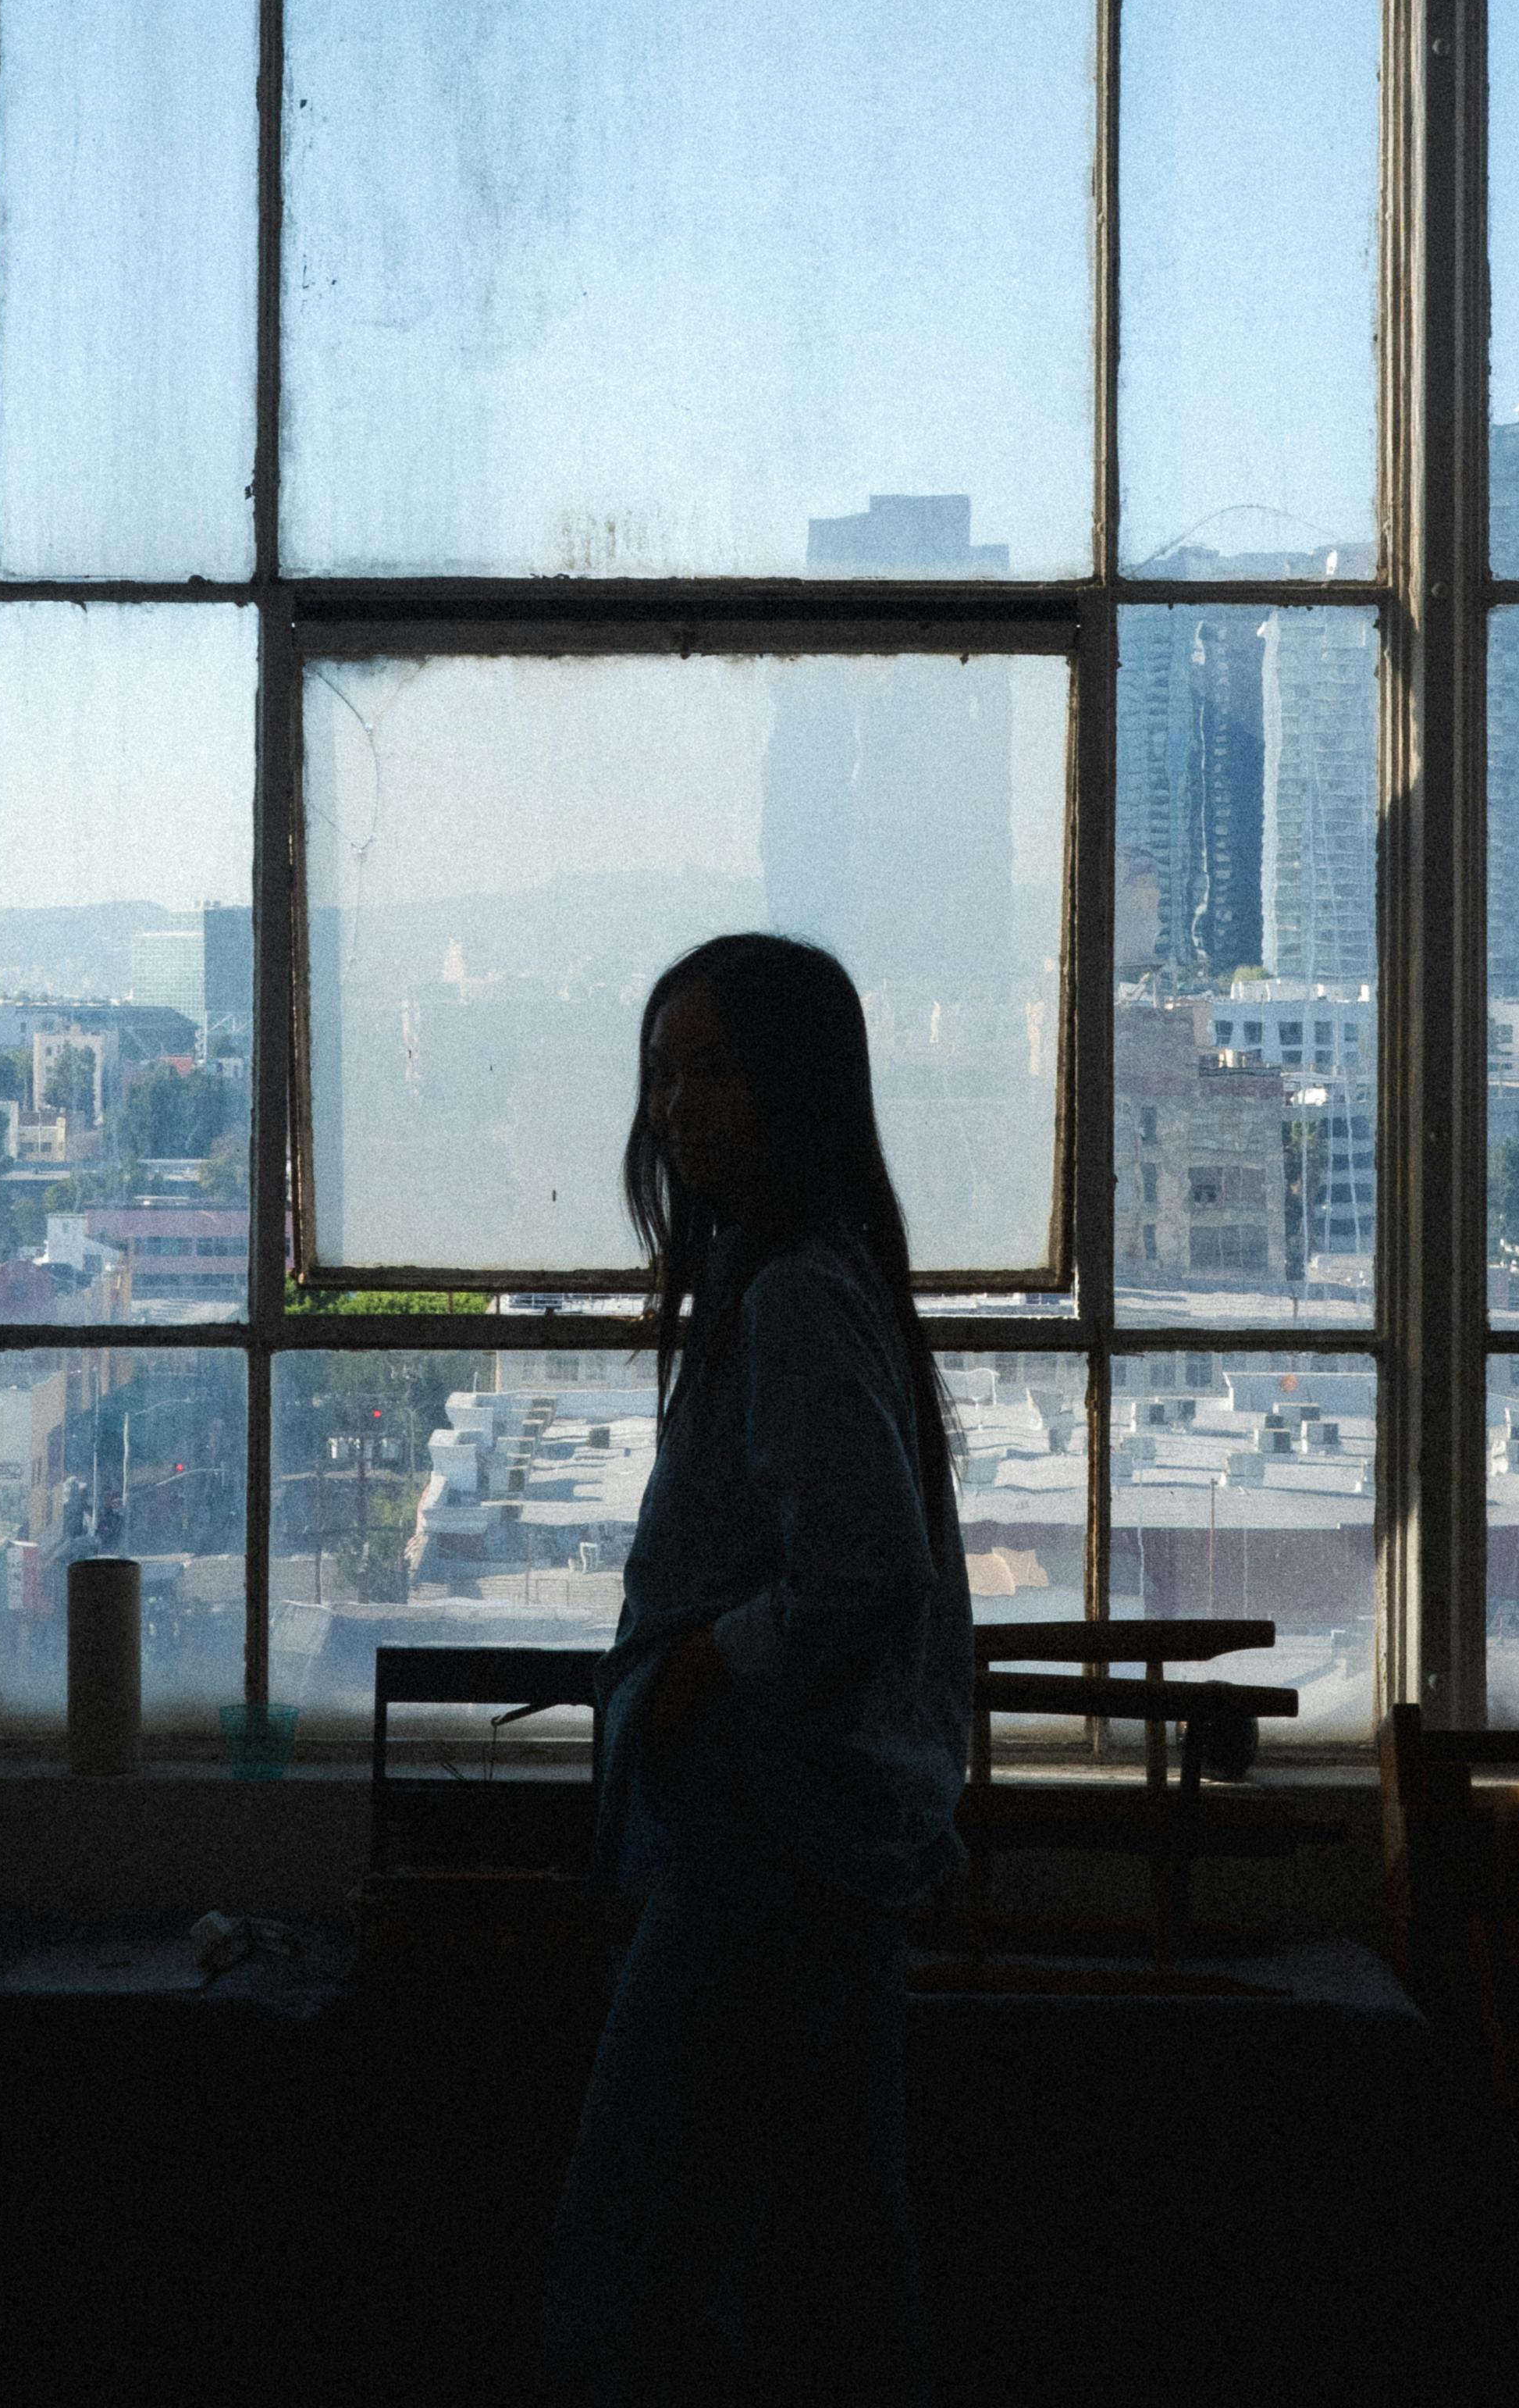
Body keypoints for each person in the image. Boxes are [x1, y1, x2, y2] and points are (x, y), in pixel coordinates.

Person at [539, 933, 975, 2407]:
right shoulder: (787, 1269)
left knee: (639, 2252)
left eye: (713, 1069)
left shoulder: (788, 1290)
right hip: (803, 1845)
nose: (677, 1106)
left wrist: (698, 1680)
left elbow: (865, 1571)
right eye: (663, 1073)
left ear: (793, 1086)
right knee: (821, 2253)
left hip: (773, 1849)